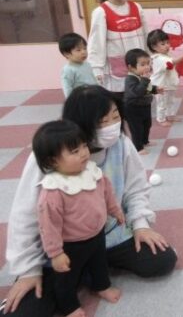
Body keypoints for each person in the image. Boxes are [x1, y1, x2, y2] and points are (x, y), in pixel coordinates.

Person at [2, 85, 177, 317]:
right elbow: (25, 215)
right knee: (20, 313)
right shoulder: (48, 155)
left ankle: (89, 272)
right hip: (61, 249)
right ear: (80, 124)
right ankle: (81, 273)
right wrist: (28, 270)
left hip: (107, 236)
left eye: (115, 116)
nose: (113, 126)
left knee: (161, 260)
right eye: (103, 121)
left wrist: (141, 225)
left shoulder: (121, 144)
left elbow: (136, 188)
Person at [33, 120, 125, 317]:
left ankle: (102, 286)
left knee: (99, 263)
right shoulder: (54, 190)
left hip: (97, 233)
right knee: (66, 277)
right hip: (71, 244)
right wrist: (55, 253)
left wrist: (115, 210)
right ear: (52, 161)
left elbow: (107, 193)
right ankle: (70, 307)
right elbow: (48, 226)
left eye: (84, 146)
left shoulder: (92, 172)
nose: (84, 153)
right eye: (75, 151)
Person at [87, 0, 146, 95]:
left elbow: (146, 35)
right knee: (121, 99)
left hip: (139, 67)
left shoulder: (137, 7)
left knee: (142, 98)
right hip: (116, 71)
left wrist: (151, 59)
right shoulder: (100, 12)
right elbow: (96, 44)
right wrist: (96, 69)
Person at [123, 49, 162, 154]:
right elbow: (137, 92)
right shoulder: (130, 79)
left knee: (147, 124)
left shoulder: (141, 77)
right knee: (137, 128)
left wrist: (155, 89)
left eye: (148, 63)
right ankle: (138, 148)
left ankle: (145, 141)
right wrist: (145, 80)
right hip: (133, 108)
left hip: (145, 105)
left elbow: (146, 89)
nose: (147, 67)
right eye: (143, 64)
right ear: (131, 67)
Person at [147, 29, 181, 127]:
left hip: (168, 84)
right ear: (154, 47)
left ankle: (170, 115)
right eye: (163, 44)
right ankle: (161, 119)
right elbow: (172, 63)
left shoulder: (165, 56)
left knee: (170, 101)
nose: (167, 45)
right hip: (160, 86)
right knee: (162, 103)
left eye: (167, 43)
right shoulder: (158, 58)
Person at [58, 33, 97, 98]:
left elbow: (93, 80)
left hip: (93, 96)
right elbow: (67, 88)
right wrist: (71, 101)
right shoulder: (68, 70)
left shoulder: (87, 64)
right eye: (78, 50)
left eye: (84, 48)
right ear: (67, 54)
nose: (83, 52)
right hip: (81, 99)